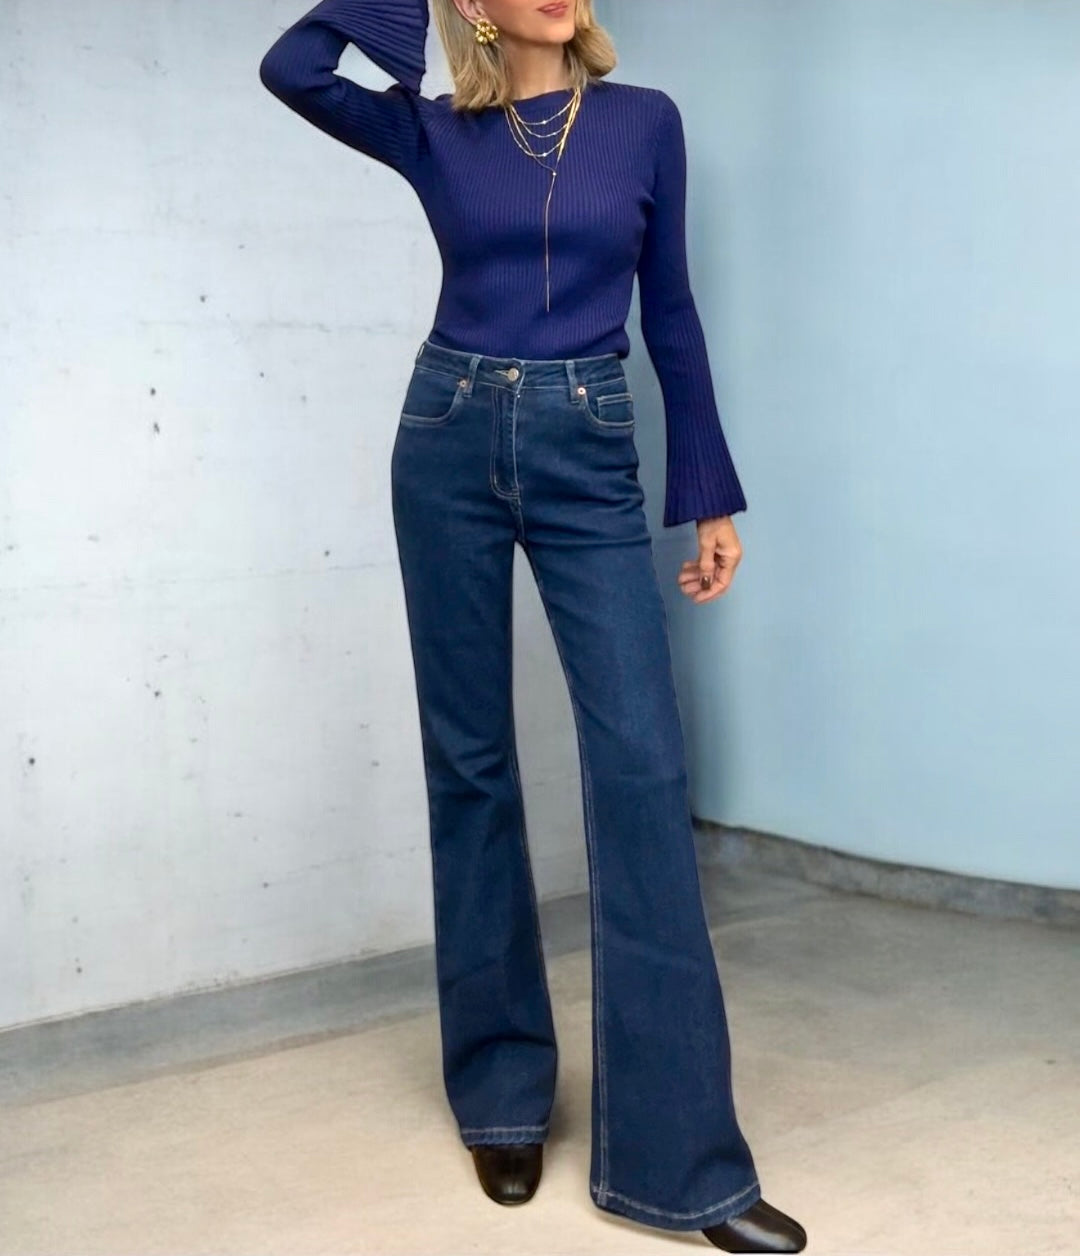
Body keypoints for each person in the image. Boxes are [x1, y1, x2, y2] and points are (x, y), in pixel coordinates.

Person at [259, 1, 806, 1250]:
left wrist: (708, 492)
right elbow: (293, 66)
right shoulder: (432, 132)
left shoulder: (644, 122)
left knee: (641, 770)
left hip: (589, 438)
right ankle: (501, 1091)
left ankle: (685, 1165)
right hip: (446, 435)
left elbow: (672, 312)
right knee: (470, 763)